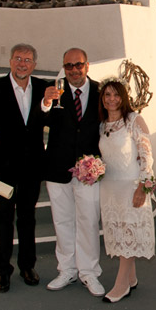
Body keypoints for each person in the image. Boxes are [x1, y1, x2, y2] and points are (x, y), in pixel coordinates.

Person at [0, 43, 48, 293]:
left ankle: (27, 266)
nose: (22, 64)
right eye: (18, 58)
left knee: (28, 218)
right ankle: (2, 271)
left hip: (32, 168)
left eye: (27, 60)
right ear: (10, 61)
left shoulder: (43, 89)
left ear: (34, 64)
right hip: (2, 169)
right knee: (3, 220)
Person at [41, 48, 104, 296]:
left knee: (88, 221)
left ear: (87, 66)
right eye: (68, 65)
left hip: (89, 171)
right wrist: (46, 103)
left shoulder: (101, 92)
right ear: (63, 67)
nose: (74, 70)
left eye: (78, 65)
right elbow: (41, 119)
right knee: (63, 221)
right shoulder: (54, 91)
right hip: (57, 168)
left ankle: (89, 272)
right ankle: (66, 269)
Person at [97, 79, 156, 303]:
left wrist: (143, 187)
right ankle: (130, 277)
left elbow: (147, 156)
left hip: (130, 187)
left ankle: (121, 285)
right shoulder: (102, 125)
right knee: (119, 232)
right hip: (109, 188)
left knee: (128, 233)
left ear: (123, 97)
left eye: (116, 95)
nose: (111, 99)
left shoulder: (134, 120)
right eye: (107, 95)